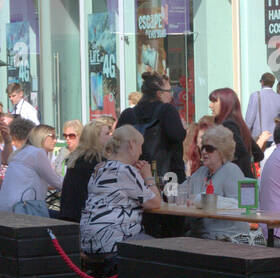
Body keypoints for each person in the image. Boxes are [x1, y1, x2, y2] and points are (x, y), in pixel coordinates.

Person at [79, 125, 161, 266]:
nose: (141, 152)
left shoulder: (99, 169)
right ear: (131, 145)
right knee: (164, 250)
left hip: (90, 242)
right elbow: (155, 203)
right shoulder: (125, 170)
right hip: (113, 242)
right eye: (140, 146)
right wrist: (147, 176)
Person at [118, 73, 187, 184]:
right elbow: (177, 135)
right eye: (169, 91)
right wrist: (183, 129)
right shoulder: (167, 110)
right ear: (159, 93)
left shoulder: (128, 114)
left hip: (132, 178)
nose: (171, 95)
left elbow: (117, 145)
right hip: (168, 179)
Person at [180, 125, 244, 239]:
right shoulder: (202, 171)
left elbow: (239, 205)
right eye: (202, 147)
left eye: (209, 148)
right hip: (200, 234)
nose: (204, 151)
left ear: (222, 151)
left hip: (227, 236)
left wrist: (200, 199)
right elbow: (181, 191)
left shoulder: (231, 170)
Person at [0, 122, 63, 216]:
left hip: (5, 206)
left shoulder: (23, 152)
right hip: (22, 208)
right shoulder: (37, 153)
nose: (55, 140)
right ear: (42, 136)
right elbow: (57, 182)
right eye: (52, 136)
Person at [60, 119, 114, 222]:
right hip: (86, 218)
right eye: (107, 134)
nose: (110, 137)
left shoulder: (77, 157)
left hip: (70, 215)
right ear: (96, 137)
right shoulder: (96, 160)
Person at [208, 87, 260, 178]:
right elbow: (258, 154)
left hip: (235, 182)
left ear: (225, 103)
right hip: (244, 182)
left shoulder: (228, 125)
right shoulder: (238, 124)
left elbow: (243, 154)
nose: (210, 105)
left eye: (214, 101)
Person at [245, 72, 280, 141]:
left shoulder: (255, 95)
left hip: (259, 136)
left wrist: (244, 134)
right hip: (274, 137)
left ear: (262, 82)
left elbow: (249, 119)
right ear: (272, 83)